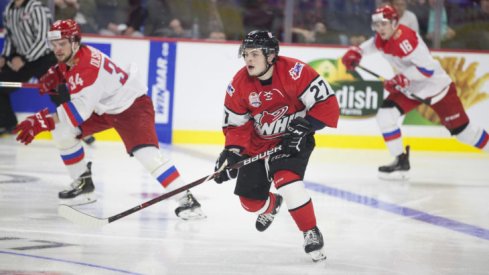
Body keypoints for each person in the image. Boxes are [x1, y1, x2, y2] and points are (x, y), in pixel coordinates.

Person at [13, 19, 205, 220]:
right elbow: (70, 74)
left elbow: (78, 113)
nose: (57, 49)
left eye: (62, 44)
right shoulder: (76, 55)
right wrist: (57, 74)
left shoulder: (87, 68)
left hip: (132, 108)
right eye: (54, 44)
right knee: (63, 132)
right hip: (106, 107)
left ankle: (187, 200)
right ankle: (83, 185)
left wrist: (41, 120)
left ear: (75, 42)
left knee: (147, 154)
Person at [213, 30, 340, 262]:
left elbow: (327, 103)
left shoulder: (295, 72)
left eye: (254, 54)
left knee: (288, 182)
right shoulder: (239, 84)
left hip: (291, 140)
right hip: (257, 144)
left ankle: (310, 231)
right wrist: (231, 153)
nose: (248, 59)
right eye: (245, 54)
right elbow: (236, 126)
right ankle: (272, 204)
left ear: (271, 56)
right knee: (250, 204)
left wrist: (305, 127)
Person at [341, 5, 489, 180]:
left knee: (465, 134)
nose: (380, 28)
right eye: (377, 25)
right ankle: (400, 160)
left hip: (436, 88)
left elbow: (427, 70)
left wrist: (402, 78)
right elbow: (373, 44)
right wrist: (357, 51)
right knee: (386, 115)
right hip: (412, 88)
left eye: (384, 24)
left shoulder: (407, 40)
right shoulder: (382, 38)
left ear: (394, 23)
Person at [0, 0, 56, 134]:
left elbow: (44, 39)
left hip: (44, 59)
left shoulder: (36, 8)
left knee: (59, 93)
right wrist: (4, 57)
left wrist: (24, 59)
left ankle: (80, 126)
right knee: (1, 84)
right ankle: (9, 124)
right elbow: (9, 38)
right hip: (22, 60)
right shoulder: (9, 9)